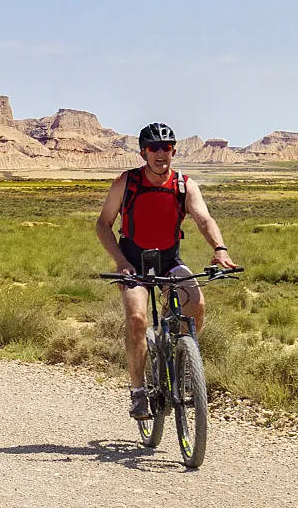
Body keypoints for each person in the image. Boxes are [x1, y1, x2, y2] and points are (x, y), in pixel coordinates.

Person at [95, 123, 238, 420]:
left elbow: (203, 219)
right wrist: (121, 261)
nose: (161, 153)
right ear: (143, 152)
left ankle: (187, 365)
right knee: (136, 318)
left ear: (173, 151)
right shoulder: (127, 182)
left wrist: (219, 249)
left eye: (167, 148)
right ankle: (137, 392)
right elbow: (103, 224)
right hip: (134, 262)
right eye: (154, 148)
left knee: (196, 303)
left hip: (170, 260)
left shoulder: (185, 185)